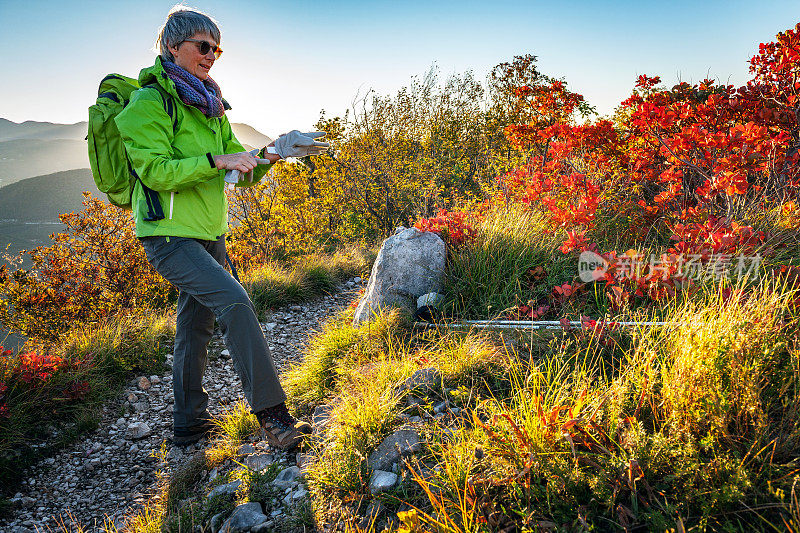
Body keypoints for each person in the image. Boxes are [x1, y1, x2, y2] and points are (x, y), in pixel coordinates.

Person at [115, 7, 328, 448]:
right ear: (173, 47)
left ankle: (188, 424)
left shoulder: (211, 108)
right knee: (234, 301)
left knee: (195, 327)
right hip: (168, 236)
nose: (212, 55)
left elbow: (239, 171)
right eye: (203, 46)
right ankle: (275, 419)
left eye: (218, 48)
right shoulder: (148, 103)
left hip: (209, 234)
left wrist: (274, 153)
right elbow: (154, 170)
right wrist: (215, 160)